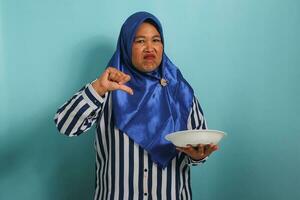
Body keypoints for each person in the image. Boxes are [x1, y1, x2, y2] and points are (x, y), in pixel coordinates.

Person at [54, 11, 218, 200]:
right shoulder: (107, 87)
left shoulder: (181, 91)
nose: (150, 48)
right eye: (140, 41)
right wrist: (98, 88)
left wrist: (198, 155)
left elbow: (199, 150)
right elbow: (65, 125)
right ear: (126, 46)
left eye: (156, 40)